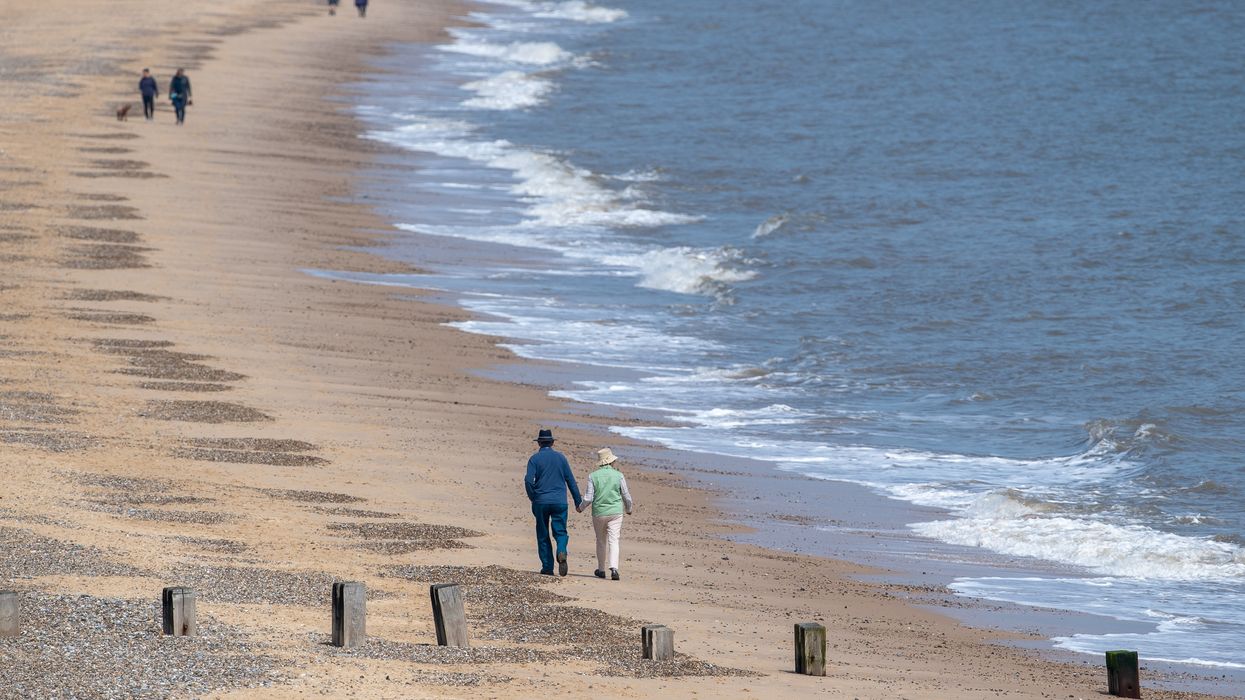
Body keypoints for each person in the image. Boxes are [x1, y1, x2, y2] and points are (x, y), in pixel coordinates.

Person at [524, 429, 582, 576]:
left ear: (539, 443)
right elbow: (570, 481)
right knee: (560, 531)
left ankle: (548, 567)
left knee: (543, 534)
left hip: (541, 501)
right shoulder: (561, 458)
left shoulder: (534, 459)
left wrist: (533, 497)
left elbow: (528, 481)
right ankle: (561, 550)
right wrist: (578, 501)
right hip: (560, 502)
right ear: (552, 442)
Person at [577, 448, 634, 581]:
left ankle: (601, 569)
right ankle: (614, 568)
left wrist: (581, 508)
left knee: (601, 540)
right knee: (614, 540)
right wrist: (629, 509)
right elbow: (626, 496)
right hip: (616, 512)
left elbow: (588, 498)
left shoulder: (593, 476)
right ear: (611, 462)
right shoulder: (619, 475)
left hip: (599, 513)